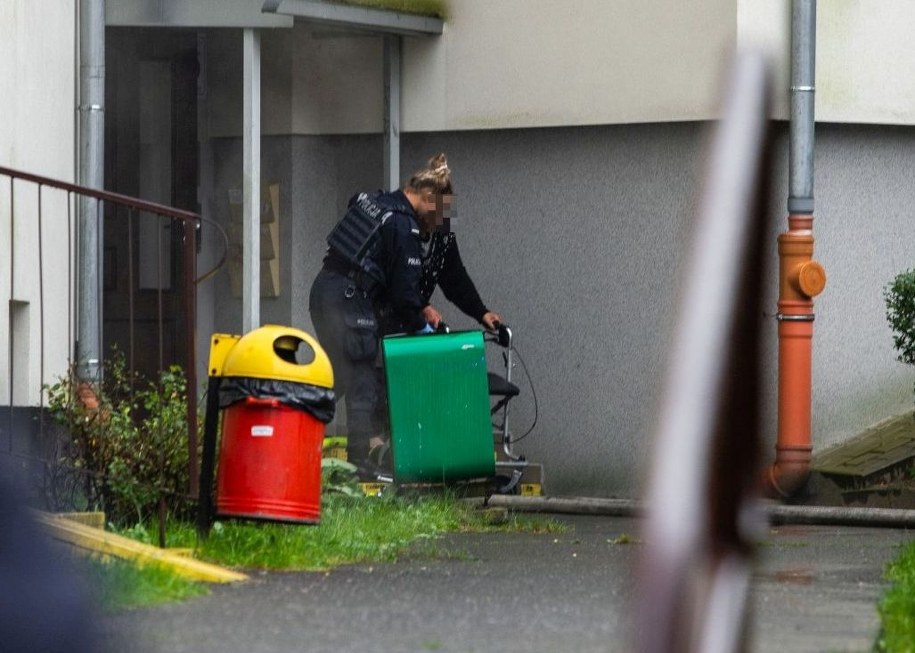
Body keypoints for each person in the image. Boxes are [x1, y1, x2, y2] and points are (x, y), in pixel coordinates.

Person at [308, 154, 451, 473]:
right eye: (436, 212)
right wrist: (419, 323)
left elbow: (373, 261)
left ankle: (299, 436)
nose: (435, 222)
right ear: (428, 197)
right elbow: (403, 293)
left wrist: (418, 306)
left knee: (338, 375)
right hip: (347, 299)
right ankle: (360, 467)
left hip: (325, 290)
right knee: (361, 378)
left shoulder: (374, 201)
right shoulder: (404, 226)